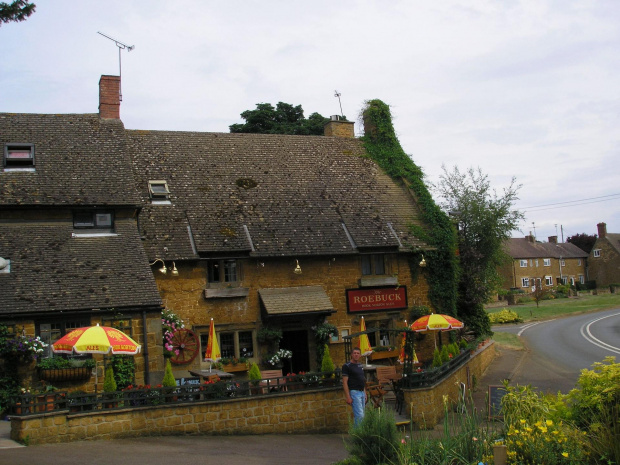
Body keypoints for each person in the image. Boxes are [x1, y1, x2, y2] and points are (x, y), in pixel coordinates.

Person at [342, 346, 366, 426]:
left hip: (362, 392)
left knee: (361, 416)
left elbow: (362, 380)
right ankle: (358, 435)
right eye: (354, 353)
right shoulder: (347, 366)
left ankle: (357, 435)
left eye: (358, 353)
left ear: (360, 355)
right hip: (354, 393)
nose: (356, 355)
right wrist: (348, 397)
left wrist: (365, 393)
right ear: (351, 355)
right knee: (360, 416)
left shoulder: (360, 366)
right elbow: (345, 382)